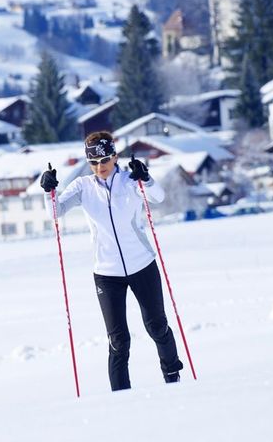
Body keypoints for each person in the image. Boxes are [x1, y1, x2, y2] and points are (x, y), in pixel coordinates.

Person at [40, 131, 184, 391]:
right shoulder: (83, 187)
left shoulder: (130, 180)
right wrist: (49, 189)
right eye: (93, 163)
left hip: (142, 265)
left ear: (115, 156)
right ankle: (120, 396)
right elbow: (55, 211)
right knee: (118, 340)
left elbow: (159, 197)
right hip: (106, 273)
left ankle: (173, 377)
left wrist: (147, 178)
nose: (99, 167)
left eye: (104, 160)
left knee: (157, 327)